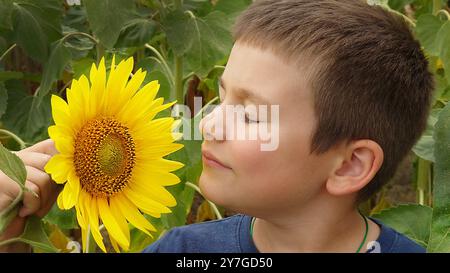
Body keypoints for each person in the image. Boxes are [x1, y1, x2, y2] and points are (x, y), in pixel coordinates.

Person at [1, 0, 433, 252]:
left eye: (249, 113)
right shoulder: (185, 252)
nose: (209, 123)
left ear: (349, 166)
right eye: (221, 97)